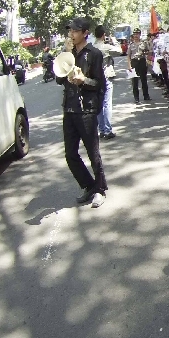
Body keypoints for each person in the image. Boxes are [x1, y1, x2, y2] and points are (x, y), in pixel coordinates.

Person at [57, 17, 108, 208]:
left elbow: (99, 84)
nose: (72, 34)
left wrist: (83, 80)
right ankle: (89, 186)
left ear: (85, 33)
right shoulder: (66, 53)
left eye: (75, 31)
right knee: (70, 154)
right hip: (69, 108)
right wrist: (65, 55)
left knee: (92, 152)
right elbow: (58, 79)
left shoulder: (94, 54)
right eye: (70, 31)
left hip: (86, 109)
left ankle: (100, 189)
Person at [94, 25, 116, 140]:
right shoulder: (106, 46)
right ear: (104, 35)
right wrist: (113, 41)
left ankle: (101, 129)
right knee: (107, 104)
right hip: (106, 76)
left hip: (95, 78)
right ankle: (107, 130)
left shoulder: (91, 47)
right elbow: (120, 50)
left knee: (99, 104)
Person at [127, 28, 151, 104]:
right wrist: (129, 66)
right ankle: (136, 97)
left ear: (140, 34)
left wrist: (145, 54)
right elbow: (128, 56)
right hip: (134, 63)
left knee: (144, 80)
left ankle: (146, 95)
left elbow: (148, 52)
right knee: (134, 81)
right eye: (134, 34)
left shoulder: (144, 43)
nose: (136, 35)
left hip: (142, 62)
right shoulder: (131, 45)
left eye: (137, 34)